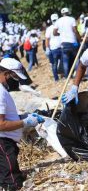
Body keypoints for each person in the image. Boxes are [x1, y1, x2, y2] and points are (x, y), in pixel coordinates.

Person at [0, 58, 44, 190]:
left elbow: (6, 116)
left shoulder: (3, 90)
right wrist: (25, 122)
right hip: (3, 141)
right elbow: (0, 125)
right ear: (7, 74)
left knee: (11, 174)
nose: (17, 81)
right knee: (12, 184)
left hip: (7, 141)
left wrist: (23, 116)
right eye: (15, 77)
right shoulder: (0, 92)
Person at [54, 8, 81, 78]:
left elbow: (54, 33)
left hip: (64, 43)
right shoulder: (71, 19)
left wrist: (61, 34)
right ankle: (78, 75)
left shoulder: (58, 21)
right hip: (73, 42)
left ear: (62, 13)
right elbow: (75, 30)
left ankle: (67, 76)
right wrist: (79, 38)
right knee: (76, 59)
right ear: (68, 12)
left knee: (65, 61)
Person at [45, 14, 62, 81]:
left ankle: (59, 77)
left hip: (59, 48)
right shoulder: (49, 29)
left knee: (57, 64)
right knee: (55, 64)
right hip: (55, 49)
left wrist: (47, 48)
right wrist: (47, 48)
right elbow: (47, 39)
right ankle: (56, 78)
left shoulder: (60, 27)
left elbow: (47, 39)